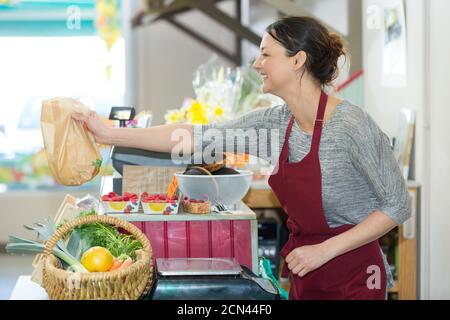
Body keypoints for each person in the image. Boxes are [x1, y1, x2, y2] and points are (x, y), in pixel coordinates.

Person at [72, 16, 411, 300]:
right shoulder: (275, 126)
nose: (256, 64)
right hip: (305, 270)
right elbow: (195, 136)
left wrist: (325, 250)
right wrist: (110, 134)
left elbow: (398, 205)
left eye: (266, 54)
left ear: (298, 60)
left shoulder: (352, 125)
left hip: (354, 274)